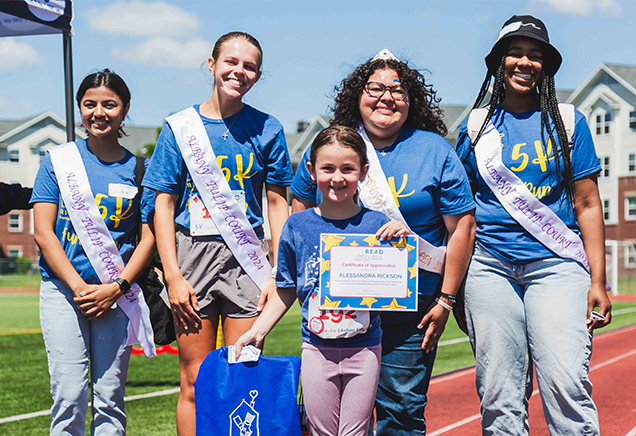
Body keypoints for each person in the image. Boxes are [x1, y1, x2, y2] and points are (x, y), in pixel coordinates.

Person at [291, 51, 476, 435]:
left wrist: (445, 300)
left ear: (412, 100)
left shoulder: (435, 149)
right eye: (375, 88)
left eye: (398, 89)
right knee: (334, 419)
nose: (386, 97)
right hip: (339, 306)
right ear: (357, 95)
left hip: (413, 309)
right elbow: (300, 210)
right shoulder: (337, 144)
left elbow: (463, 227)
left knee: (402, 412)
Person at [455, 15, 612, 435]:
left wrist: (598, 280)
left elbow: (587, 202)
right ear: (498, 63)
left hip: (557, 263)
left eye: (535, 55)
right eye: (515, 53)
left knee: (566, 383)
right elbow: (458, 212)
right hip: (488, 266)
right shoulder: (474, 127)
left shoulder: (570, 121)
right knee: (499, 392)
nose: (525, 62)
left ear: (546, 67)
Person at [142, 31, 293, 435]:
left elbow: (277, 202)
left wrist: (278, 269)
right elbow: (163, 205)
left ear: (258, 76)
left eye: (249, 66)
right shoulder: (180, 128)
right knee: (194, 380)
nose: (239, 72)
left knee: (242, 376)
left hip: (248, 262)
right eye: (231, 62)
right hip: (192, 258)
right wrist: (172, 275)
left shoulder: (268, 128)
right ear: (212, 64)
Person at [236, 125, 410, 436]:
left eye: (348, 168)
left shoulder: (380, 225)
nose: (337, 177)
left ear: (363, 171)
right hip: (316, 349)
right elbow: (286, 289)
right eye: (327, 168)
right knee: (320, 432)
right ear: (311, 170)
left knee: (355, 433)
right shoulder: (297, 226)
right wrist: (257, 330)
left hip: (365, 349)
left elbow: (404, 279)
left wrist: (404, 242)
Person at [31, 69, 156, 435]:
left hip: (115, 296)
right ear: (79, 109)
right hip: (63, 293)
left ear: (125, 109)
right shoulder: (57, 161)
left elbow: (147, 238)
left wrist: (115, 288)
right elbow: (43, 232)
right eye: (90, 104)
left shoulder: (138, 168)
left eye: (109, 104)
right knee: (68, 396)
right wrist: (79, 288)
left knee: (109, 397)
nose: (99, 112)